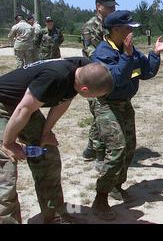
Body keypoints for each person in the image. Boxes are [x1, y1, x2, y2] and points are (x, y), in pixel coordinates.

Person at [0, 58, 113, 224]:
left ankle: (53, 216)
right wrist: (8, 144)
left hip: (23, 105)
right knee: (5, 166)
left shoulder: (82, 69)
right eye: (96, 96)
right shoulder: (56, 76)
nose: (97, 99)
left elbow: (63, 101)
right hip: (4, 103)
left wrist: (45, 133)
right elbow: (23, 109)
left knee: (48, 155)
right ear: (84, 88)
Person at [90, 10, 163, 220]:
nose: (132, 32)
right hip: (107, 105)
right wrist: (126, 55)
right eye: (129, 28)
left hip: (125, 105)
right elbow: (115, 79)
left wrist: (155, 54)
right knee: (117, 149)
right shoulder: (102, 52)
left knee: (129, 147)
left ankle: (116, 185)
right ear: (116, 29)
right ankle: (100, 198)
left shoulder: (130, 49)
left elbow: (147, 72)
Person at [81, 0, 118, 163]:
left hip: (108, 74)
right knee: (99, 113)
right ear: (98, 7)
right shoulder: (90, 26)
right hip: (94, 75)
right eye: (108, 7)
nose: (112, 10)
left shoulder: (112, 25)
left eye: (113, 7)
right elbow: (91, 52)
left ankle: (92, 147)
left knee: (102, 112)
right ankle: (98, 153)